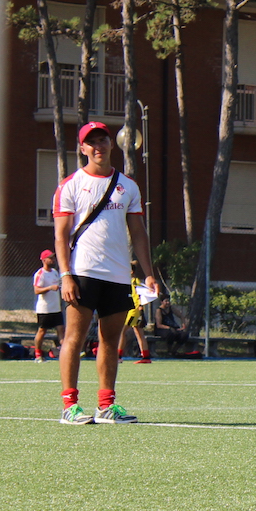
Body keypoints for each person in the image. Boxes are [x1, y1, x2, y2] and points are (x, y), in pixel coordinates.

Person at [53, 122, 160, 423]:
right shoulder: (70, 185)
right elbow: (61, 235)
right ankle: (70, 406)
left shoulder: (129, 186)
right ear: (82, 149)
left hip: (118, 275)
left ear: (112, 144)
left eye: (102, 140)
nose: (98, 147)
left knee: (111, 341)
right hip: (82, 272)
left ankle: (106, 405)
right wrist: (65, 275)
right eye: (91, 142)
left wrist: (148, 273)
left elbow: (138, 232)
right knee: (74, 338)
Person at [118, 260, 153, 364]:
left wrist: (140, 309)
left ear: (131, 272)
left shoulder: (134, 282)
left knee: (122, 331)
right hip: (133, 310)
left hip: (134, 311)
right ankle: (146, 357)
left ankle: (118, 356)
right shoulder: (130, 282)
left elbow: (139, 296)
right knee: (139, 333)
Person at [32, 249, 64, 361]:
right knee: (42, 331)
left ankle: (65, 353)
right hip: (45, 309)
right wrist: (50, 288)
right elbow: (36, 290)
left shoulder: (54, 272)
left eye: (53, 258)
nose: (53, 260)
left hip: (56, 308)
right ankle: (38, 355)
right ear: (44, 260)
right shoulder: (40, 274)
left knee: (61, 329)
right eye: (50, 258)